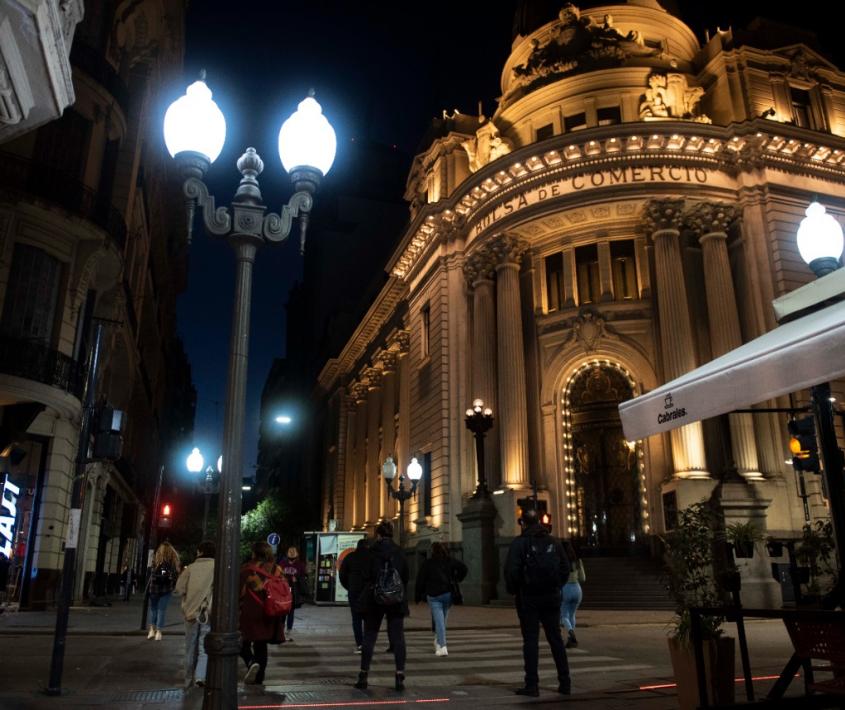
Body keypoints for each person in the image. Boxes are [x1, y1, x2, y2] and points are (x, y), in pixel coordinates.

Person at [505, 508, 571, 697]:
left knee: (531, 640)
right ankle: (565, 682)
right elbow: (565, 568)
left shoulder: (519, 543)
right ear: (540, 522)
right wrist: (556, 585)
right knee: (555, 639)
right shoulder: (554, 542)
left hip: (529, 598)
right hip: (551, 596)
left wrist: (516, 590)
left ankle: (532, 684)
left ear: (523, 523)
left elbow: (511, 571)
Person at [355, 521, 409, 692]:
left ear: (378, 535)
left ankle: (363, 675)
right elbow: (406, 575)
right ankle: (399, 676)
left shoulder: (371, 552)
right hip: (396, 599)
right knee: (398, 638)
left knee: (370, 636)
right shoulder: (399, 551)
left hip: (375, 598)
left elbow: (365, 574)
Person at [240, 541, 285, 685]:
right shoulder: (276, 569)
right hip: (270, 611)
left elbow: (240, 592)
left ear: (254, 553)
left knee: (242, 641)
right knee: (261, 645)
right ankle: (259, 678)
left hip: (251, 610)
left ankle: (251, 662)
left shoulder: (247, 569)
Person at [414, 542, 467, 656]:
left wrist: (418, 595)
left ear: (432, 551)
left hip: (433, 595)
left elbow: (420, 580)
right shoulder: (449, 561)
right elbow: (464, 568)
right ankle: (438, 641)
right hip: (448, 594)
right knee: (442, 619)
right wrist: (457, 579)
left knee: (439, 620)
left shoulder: (428, 563)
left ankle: (442, 646)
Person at [175, 540, 215, 689]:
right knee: (204, 646)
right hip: (207, 613)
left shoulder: (191, 568)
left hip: (191, 612)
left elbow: (179, 589)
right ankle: (200, 676)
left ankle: (188, 679)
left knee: (190, 647)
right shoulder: (217, 567)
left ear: (200, 552)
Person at [339, 538, 371, 654]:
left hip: (354, 591)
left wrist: (349, 586)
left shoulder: (350, 557)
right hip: (369, 592)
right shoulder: (372, 557)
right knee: (368, 619)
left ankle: (360, 644)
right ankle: (368, 643)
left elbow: (342, 574)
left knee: (356, 619)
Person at [147, 541, 180, 641]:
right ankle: (159, 631)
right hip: (166, 589)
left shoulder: (155, 560)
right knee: (161, 609)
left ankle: (151, 630)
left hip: (154, 588)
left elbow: (150, 573)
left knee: (153, 609)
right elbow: (175, 576)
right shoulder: (172, 562)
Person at [560, 540, 585, 648]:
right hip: (577, 589)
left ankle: (571, 632)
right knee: (572, 614)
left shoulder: (561, 561)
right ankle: (571, 639)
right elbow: (583, 578)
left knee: (563, 615)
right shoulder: (578, 561)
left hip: (566, 588)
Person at [278, 545, 306, 641]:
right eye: (290, 551)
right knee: (282, 611)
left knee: (291, 612)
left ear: (297, 554)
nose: (292, 553)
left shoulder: (300, 565)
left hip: (294, 591)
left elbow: (303, 577)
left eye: (294, 552)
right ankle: (281, 632)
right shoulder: (282, 564)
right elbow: (277, 575)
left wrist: (297, 579)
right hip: (283, 591)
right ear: (287, 553)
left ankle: (288, 631)